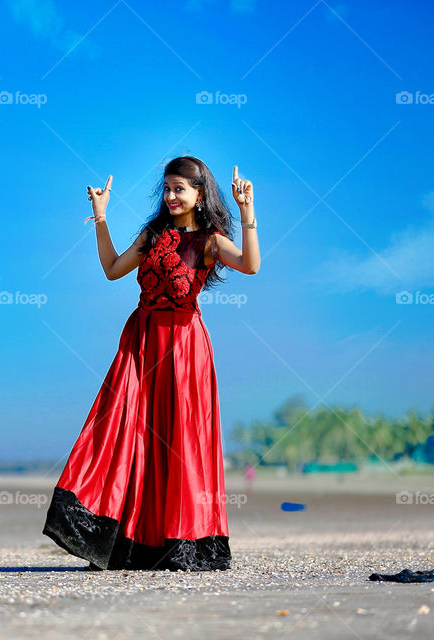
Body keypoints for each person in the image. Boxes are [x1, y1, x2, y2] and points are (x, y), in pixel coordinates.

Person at [43, 156, 260, 571]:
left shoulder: (211, 241)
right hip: (141, 342)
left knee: (180, 441)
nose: (172, 196)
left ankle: (181, 540)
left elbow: (250, 265)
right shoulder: (153, 234)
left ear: (200, 194)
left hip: (184, 347)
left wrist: (248, 214)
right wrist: (101, 218)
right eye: (167, 188)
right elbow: (112, 270)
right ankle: (124, 540)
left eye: (180, 188)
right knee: (124, 430)